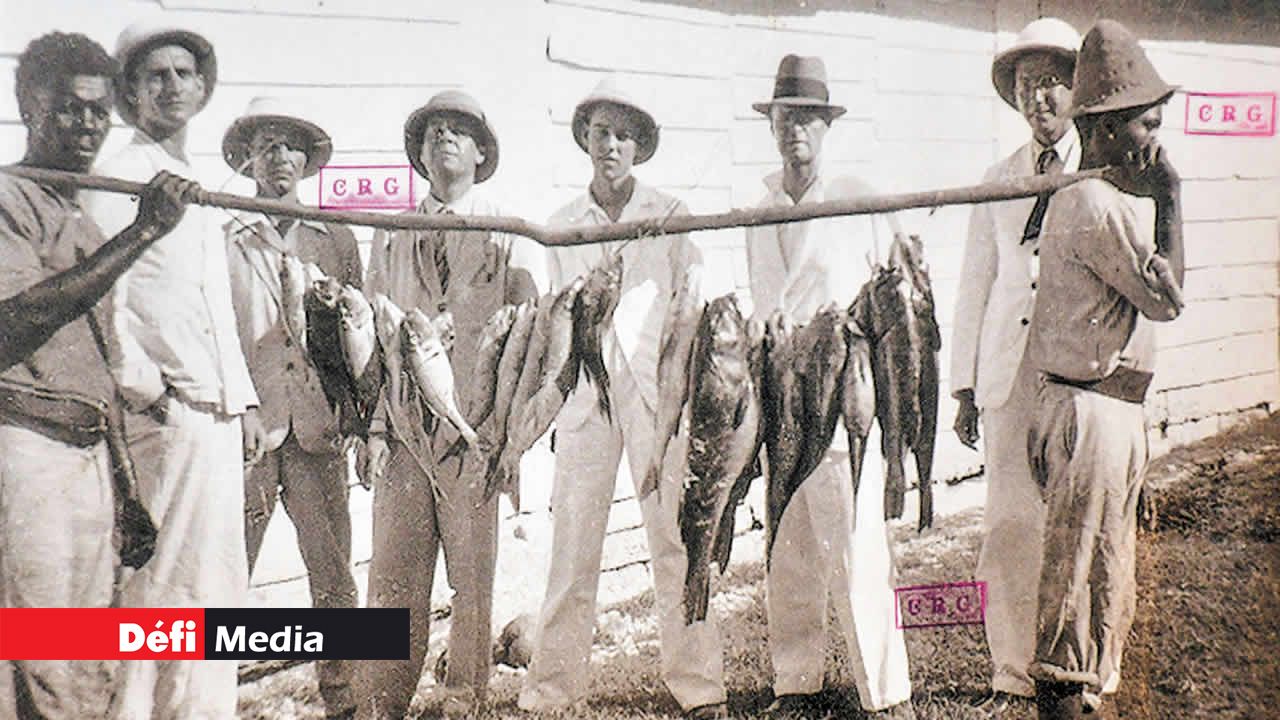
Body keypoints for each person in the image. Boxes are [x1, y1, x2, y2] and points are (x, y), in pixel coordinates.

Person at [0, 31, 199, 720]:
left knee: (90, 658)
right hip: (25, 447)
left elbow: (96, 362)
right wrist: (143, 233)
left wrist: (126, 485)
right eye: (68, 108)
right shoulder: (7, 197)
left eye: (97, 110)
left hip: (89, 455)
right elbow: (16, 320)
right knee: (39, 657)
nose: (85, 124)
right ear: (29, 105)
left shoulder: (80, 215)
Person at [518, 77, 726, 720]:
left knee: (673, 543)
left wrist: (684, 403)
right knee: (574, 549)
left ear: (639, 146)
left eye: (623, 134)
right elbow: (556, 330)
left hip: (654, 401)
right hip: (586, 400)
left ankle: (700, 688)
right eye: (599, 132)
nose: (610, 144)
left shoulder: (671, 217)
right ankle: (553, 691)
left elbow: (694, 311)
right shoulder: (559, 228)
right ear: (584, 139)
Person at [85, 22, 263, 719]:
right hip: (166, 420)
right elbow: (102, 298)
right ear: (130, 91)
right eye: (154, 75)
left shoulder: (192, 182)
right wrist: (146, 389)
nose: (172, 86)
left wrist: (242, 400)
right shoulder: (120, 175)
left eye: (184, 73)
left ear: (202, 85)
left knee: (214, 593)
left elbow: (214, 307)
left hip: (215, 419)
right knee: (160, 600)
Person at [358, 89, 541, 719]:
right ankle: (383, 699)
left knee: (472, 577)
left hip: (477, 431)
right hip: (407, 429)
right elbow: (376, 342)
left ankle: (463, 694)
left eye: (458, 131)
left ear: (481, 150)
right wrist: (376, 426)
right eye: (433, 131)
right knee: (394, 576)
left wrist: (510, 436)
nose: (444, 140)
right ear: (420, 153)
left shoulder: (508, 232)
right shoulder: (390, 235)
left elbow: (529, 339)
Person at [744, 54, 916, 720]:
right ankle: (795, 683)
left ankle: (886, 692)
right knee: (788, 545)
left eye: (809, 120)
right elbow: (761, 303)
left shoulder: (856, 199)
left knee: (857, 545)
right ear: (773, 127)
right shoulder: (757, 211)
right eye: (786, 119)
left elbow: (891, 294)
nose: (797, 133)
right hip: (782, 397)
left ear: (826, 127)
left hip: (845, 392)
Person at [1024, 19, 1184, 720]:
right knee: (1077, 584)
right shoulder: (1092, 205)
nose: (1155, 139)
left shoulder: (1104, 201)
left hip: (1110, 409)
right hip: (1090, 411)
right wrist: (1172, 197)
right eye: (1146, 124)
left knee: (1105, 580)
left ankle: (1085, 699)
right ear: (1110, 128)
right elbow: (1168, 300)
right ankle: (1064, 700)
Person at [949, 18, 1081, 716]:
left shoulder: (1103, 168)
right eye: (1028, 86)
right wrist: (965, 387)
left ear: (1076, 87)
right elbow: (976, 282)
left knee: (1075, 514)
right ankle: (1011, 669)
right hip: (1008, 370)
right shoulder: (998, 180)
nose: (1040, 98)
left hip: (1076, 371)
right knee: (1008, 520)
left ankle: (1079, 666)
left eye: (1053, 81)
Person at [221, 96, 362, 720]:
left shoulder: (336, 238)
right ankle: (208, 697)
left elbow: (362, 336)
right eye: (267, 145)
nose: (279, 157)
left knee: (332, 575)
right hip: (248, 432)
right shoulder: (225, 235)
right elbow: (215, 332)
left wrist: (356, 419)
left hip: (318, 430)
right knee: (224, 570)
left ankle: (345, 698)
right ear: (249, 158)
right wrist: (240, 406)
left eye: (291, 147)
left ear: (307, 162)